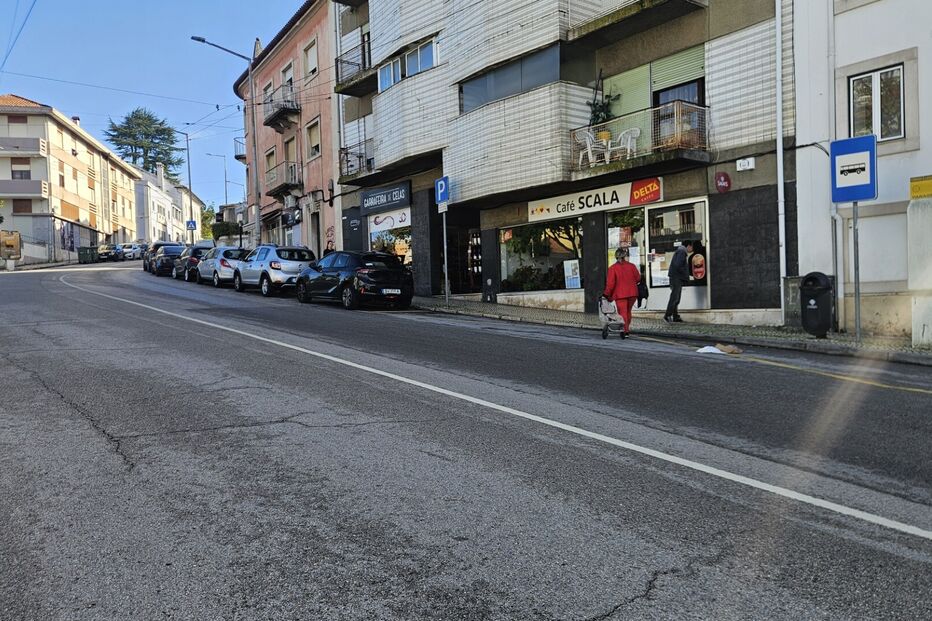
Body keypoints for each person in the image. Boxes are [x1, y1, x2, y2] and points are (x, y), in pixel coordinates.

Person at [603, 247, 641, 337]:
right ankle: (626, 329)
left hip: (620, 294)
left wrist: (606, 294)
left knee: (623, 312)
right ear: (624, 256)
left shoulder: (613, 268)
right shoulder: (632, 266)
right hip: (632, 293)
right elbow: (638, 278)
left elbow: (610, 284)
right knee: (628, 311)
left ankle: (625, 330)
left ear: (616, 257)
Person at [665, 240, 693, 323]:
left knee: (676, 298)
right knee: (675, 297)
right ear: (688, 246)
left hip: (675, 277)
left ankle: (675, 316)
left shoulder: (680, 251)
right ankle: (667, 315)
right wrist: (684, 273)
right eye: (691, 247)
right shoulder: (682, 252)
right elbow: (678, 265)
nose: (691, 249)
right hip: (676, 278)